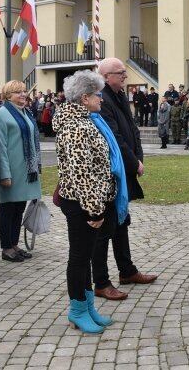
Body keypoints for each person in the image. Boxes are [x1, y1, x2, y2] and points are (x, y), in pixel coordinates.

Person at [54, 71, 122, 334]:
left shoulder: (84, 120)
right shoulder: (77, 127)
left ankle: (88, 306)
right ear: (84, 98)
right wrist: (95, 210)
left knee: (86, 257)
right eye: (97, 95)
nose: (101, 100)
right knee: (79, 258)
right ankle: (77, 310)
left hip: (90, 201)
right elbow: (83, 173)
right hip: (82, 203)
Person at [93, 58, 158, 300]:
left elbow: (132, 131)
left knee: (121, 222)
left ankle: (127, 270)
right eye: (121, 73)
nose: (125, 76)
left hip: (125, 170)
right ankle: (100, 281)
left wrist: (138, 159)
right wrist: (133, 162)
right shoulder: (103, 100)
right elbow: (115, 138)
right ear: (107, 76)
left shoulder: (119, 96)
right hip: (112, 174)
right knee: (106, 227)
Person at [0, 81, 42, 262]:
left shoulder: (25, 112)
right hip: (12, 171)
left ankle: (14, 244)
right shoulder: (1, 115)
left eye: (23, 91)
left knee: (19, 208)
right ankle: (6, 247)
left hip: (26, 170)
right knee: (8, 209)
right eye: (17, 92)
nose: (23, 94)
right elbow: (1, 147)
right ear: (7, 95)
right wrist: (4, 174)